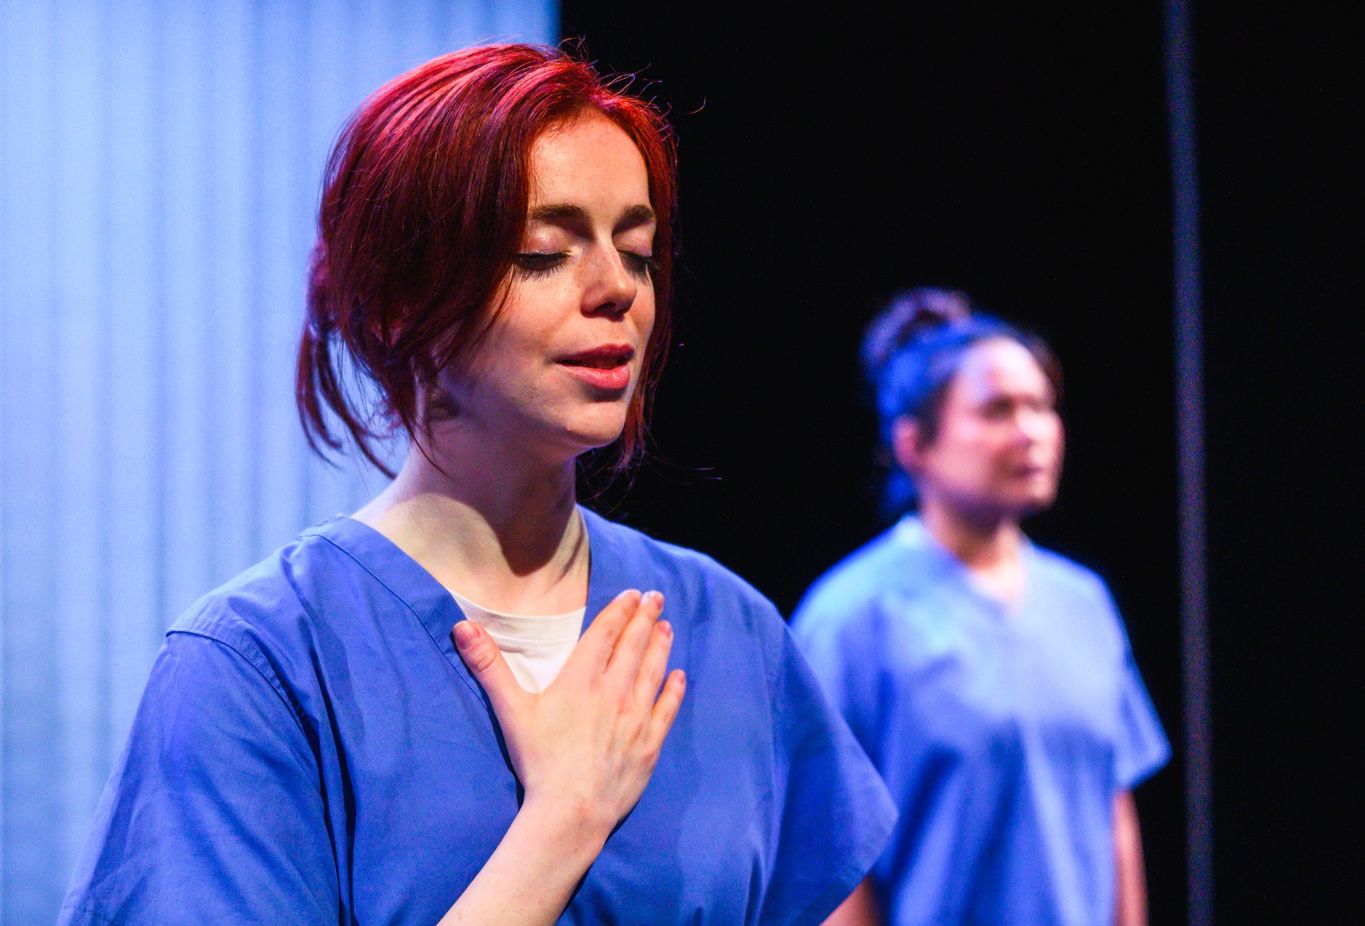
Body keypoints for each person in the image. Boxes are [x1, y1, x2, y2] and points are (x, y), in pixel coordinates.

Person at [59, 45, 895, 925]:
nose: (615, 287)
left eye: (636, 249)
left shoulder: (725, 632)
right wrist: (564, 819)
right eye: (543, 252)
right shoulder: (262, 666)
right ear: (397, 301)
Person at [791, 289, 1169, 926]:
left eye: (1041, 406)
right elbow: (829, 854)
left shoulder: (1083, 603)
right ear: (915, 445)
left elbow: (1112, 813)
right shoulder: (851, 617)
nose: (1030, 432)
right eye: (997, 410)